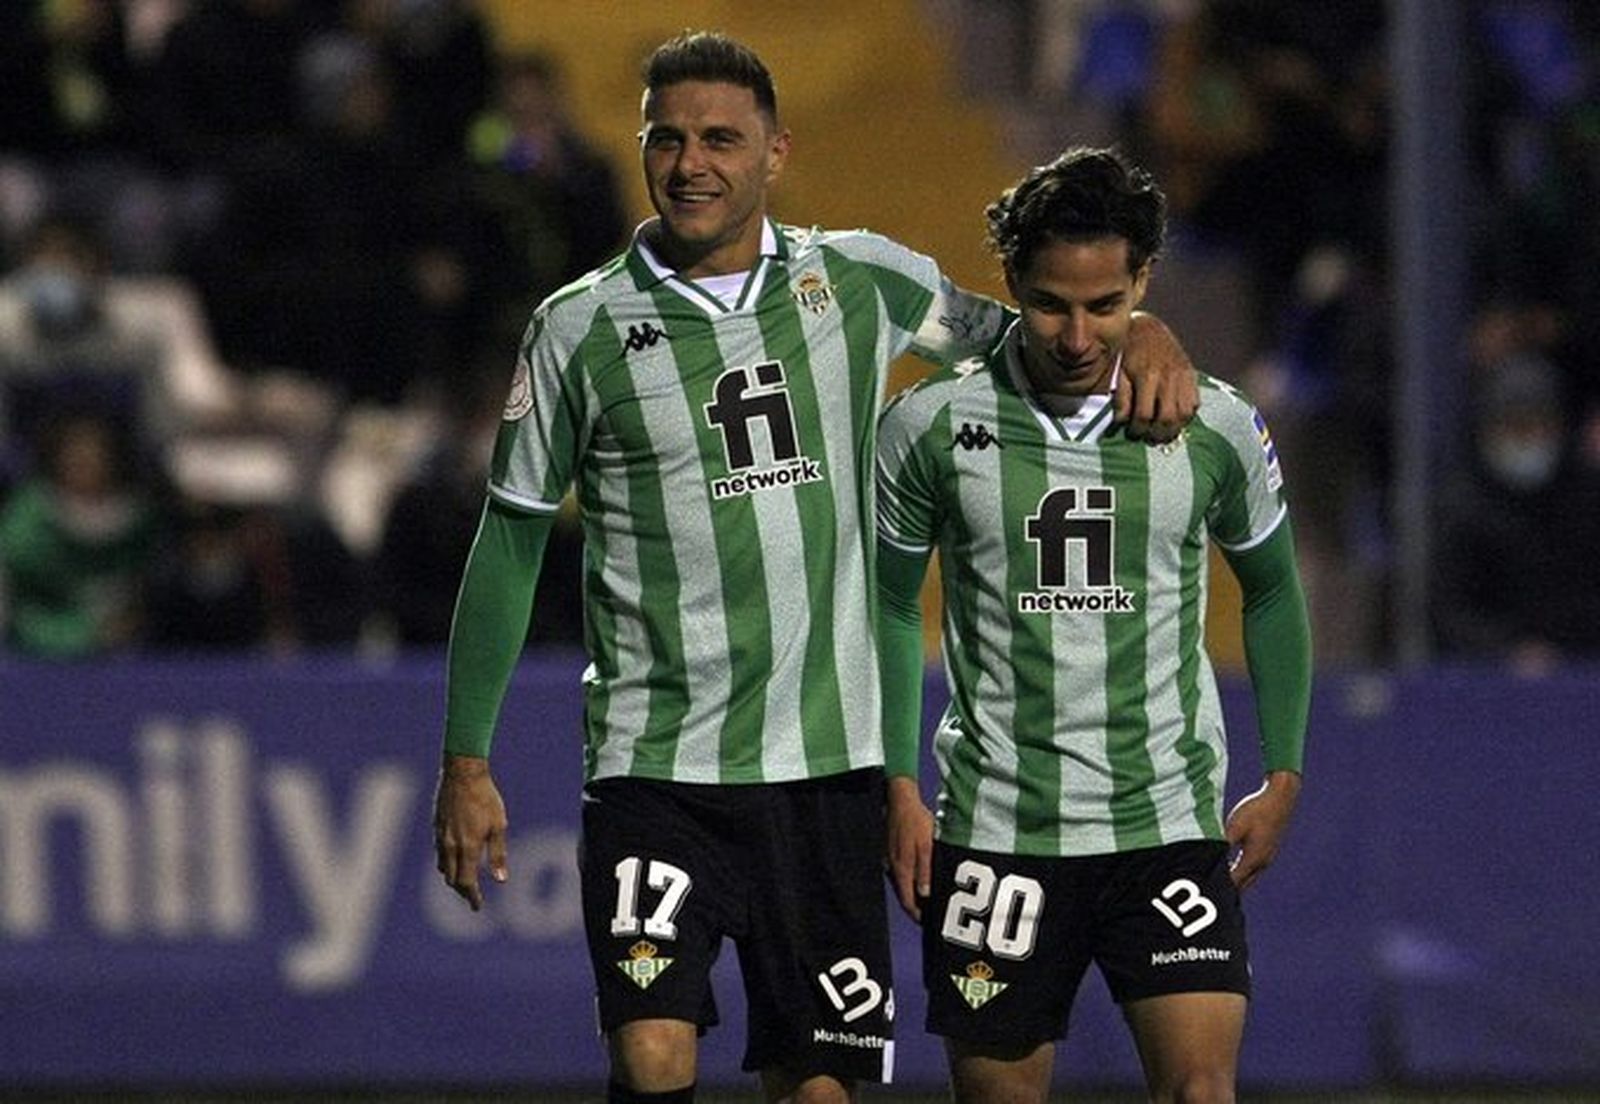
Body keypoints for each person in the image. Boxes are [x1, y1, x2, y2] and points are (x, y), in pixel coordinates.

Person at [431, 34, 1198, 1104]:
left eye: (720, 140)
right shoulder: (578, 327)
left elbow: (1034, 340)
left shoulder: (860, 279)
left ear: (775, 154)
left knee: (823, 1088)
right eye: (667, 138)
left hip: (826, 778)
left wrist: (1147, 330)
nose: (691, 163)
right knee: (652, 1050)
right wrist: (467, 759)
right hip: (657, 769)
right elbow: (509, 540)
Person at [875, 147, 1312, 1103]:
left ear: (1144, 282)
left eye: (1107, 305)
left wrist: (1282, 773)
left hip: (1164, 823)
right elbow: (886, 603)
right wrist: (898, 781)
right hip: (998, 832)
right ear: (1011, 284)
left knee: (1202, 1091)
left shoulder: (1213, 425)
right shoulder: (931, 426)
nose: (1078, 334)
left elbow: (1274, 590)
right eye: (1050, 304)